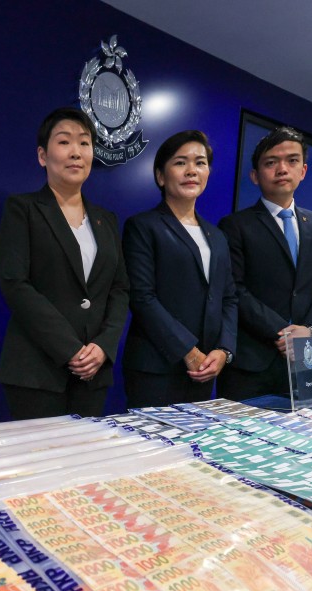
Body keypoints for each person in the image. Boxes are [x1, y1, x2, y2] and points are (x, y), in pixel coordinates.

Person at [0, 107, 129, 419]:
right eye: (64, 142)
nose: (76, 153)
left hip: (93, 372)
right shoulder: (22, 209)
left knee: (87, 462)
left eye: (84, 143)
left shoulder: (106, 220)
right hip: (36, 370)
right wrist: (70, 349)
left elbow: (120, 289)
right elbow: (16, 285)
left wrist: (104, 347)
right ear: (43, 156)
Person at [217, 126, 312, 400]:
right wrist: (285, 334)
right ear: (255, 175)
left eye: (292, 161)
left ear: (303, 171)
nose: (282, 169)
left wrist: (307, 331)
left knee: (308, 436)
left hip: (309, 361)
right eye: (271, 162)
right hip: (251, 363)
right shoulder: (235, 225)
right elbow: (234, 289)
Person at [121, 130, 237, 407]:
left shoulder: (217, 235)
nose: (191, 171)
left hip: (204, 370)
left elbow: (229, 298)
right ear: (161, 176)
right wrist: (188, 350)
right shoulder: (143, 226)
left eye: (200, 162)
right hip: (155, 368)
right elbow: (142, 297)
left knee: (192, 448)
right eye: (180, 162)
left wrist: (223, 350)